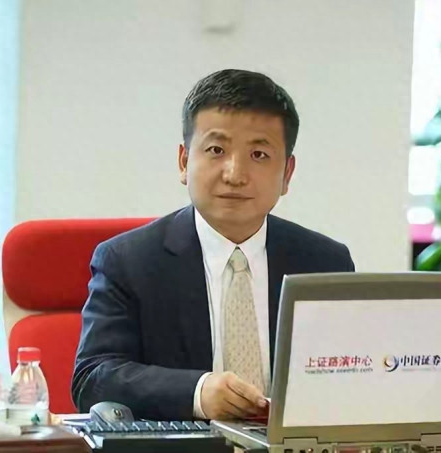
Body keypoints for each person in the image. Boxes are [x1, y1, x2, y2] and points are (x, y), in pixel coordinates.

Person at [72, 69, 355, 421]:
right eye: (216, 150)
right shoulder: (128, 261)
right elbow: (92, 379)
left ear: (287, 174)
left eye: (259, 155)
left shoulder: (325, 262)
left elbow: (349, 379)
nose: (235, 174)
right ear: (184, 162)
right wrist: (196, 392)